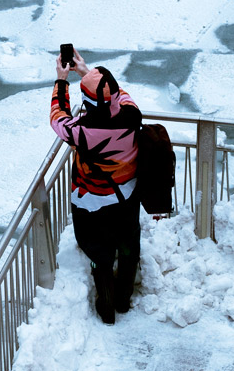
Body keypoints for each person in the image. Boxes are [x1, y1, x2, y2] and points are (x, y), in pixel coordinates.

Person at [50, 48, 142, 324]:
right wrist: (87, 71)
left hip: (92, 201)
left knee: (99, 251)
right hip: (126, 194)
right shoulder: (131, 116)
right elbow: (119, 94)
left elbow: (58, 117)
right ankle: (124, 299)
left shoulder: (82, 131)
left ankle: (106, 304)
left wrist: (62, 81)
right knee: (128, 246)